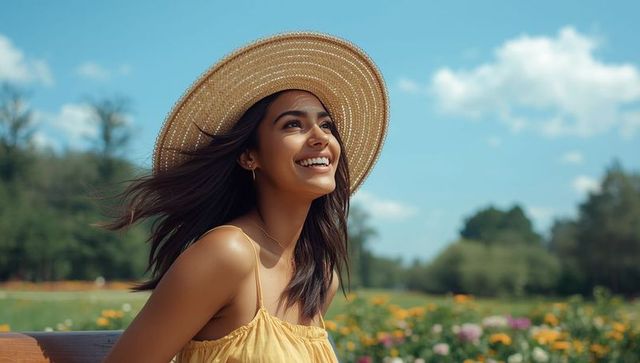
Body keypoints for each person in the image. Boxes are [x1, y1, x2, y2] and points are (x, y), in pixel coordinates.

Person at [101, 32, 388, 362]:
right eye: (293, 125)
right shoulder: (227, 254)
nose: (320, 138)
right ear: (249, 156)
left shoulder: (320, 277)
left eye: (327, 126)